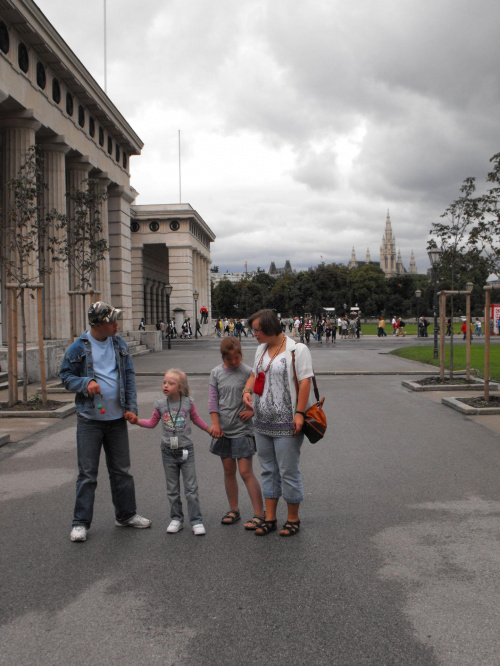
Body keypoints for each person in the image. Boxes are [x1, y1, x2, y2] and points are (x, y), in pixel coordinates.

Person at [60, 301, 151, 543]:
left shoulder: (119, 344)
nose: (116, 325)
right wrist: (85, 383)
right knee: (88, 474)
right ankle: (80, 523)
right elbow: (66, 377)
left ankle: (125, 515)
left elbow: (129, 377)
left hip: (117, 418)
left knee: (122, 471)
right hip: (90, 420)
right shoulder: (78, 348)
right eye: (112, 321)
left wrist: (131, 409)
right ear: (99, 324)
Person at [242, 309, 313, 537]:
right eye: (253, 330)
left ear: (270, 328)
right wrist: (246, 390)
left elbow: (304, 382)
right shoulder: (261, 350)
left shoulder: (297, 349)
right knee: (268, 470)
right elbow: (254, 374)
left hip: (287, 422)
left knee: (288, 471)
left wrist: (299, 413)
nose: (254, 334)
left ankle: (293, 518)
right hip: (262, 421)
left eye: (257, 330)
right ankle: (270, 518)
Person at [126, 369, 212, 535]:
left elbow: (196, 419)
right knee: (172, 489)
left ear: (180, 387)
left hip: (186, 450)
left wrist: (209, 429)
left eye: (170, 383)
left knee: (191, 488)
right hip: (168, 452)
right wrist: (137, 421)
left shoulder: (188, 403)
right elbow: (151, 423)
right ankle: (176, 519)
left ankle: (196, 520)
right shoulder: (160, 405)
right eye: (164, 382)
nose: (165, 385)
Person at [209, 338, 265, 530]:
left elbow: (262, 393)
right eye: (230, 358)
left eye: (237, 357)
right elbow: (213, 401)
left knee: (245, 472)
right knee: (228, 471)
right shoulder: (216, 373)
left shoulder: (248, 372)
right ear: (223, 356)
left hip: (242, 429)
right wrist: (215, 424)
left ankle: (259, 513)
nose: (234, 361)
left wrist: (253, 411)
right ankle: (234, 509)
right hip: (223, 430)